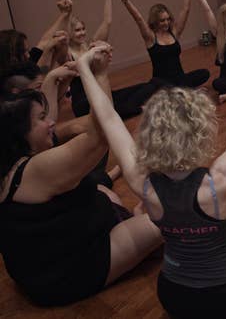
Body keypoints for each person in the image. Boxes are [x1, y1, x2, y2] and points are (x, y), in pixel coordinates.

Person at [76, 34, 226, 317]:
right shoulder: (218, 182)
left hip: (174, 296)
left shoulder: (143, 183)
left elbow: (109, 117)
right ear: (200, 130)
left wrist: (83, 67)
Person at [0, 44, 162, 306]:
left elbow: (65, 117)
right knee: (169, 215)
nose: (51, 122)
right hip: (65, 273)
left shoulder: (11, 161)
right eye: (42, 119)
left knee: (102, 190)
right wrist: (98, 73)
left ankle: (128, 222)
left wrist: (54, 79)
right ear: (21, 133)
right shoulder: (34, 170)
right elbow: (100, 138)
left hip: (46, 257)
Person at [67, 0, 161, 118]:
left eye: (83, 29)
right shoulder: (67, 53)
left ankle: (135, 108)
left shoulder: (90, 47)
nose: (82, 33)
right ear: (69, 33)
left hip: (103, 94)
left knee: (151, 86)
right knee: (112, 110)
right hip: (84, 103)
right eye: (77, 30)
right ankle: (137, 109)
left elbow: (107, 21)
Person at [111, 0, 210, 88]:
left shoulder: (174, 33)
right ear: (155, 21)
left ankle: (178, 91)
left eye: (168, 19)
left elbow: (185, 10)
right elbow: (138, 18)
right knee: (151, 89)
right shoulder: (150, 37)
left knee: (204, 73)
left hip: (179, 79)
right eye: (162, 20)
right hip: (161, 83)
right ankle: (178, 92)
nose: (166, 23)